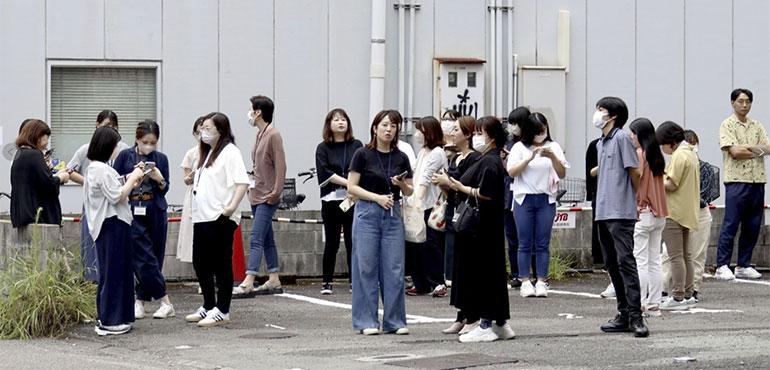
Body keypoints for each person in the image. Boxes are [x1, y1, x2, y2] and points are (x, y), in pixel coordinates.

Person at [436, 116, 514, 343]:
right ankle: (500, 322)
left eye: (481, 132)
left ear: (491, 136)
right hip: (488, 226)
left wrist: (460, 187)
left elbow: (487, 194)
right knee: (494, 273)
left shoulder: (489, 161)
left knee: (486, 274)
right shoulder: (491, 158)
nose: (477, 136)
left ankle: (487, 323)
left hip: (483, 226)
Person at [347, 109, 413, 335]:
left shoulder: (401, 157)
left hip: (393, 213)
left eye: (393, 126)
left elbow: (410, 189)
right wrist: (376, 197)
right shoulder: (362, 154)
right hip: (367, 212)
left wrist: (401, 184)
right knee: (365, 266)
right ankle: (366, 321)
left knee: (394, 268)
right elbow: (351, 187)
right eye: (384, 125)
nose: (388, 129)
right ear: (375, 128)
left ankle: (395, 321)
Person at [185, 112, 250, 327]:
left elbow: (242, 182)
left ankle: (222, 309)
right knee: (200, 262)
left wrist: (230, 208)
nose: (203, 133)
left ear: (220, 131)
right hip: (202, 216)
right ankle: (208, 305)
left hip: (220, 216)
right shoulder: (207, 153)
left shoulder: (230, 152)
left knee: (221, 263)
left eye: (208, 129)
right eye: (202, 129)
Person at [592, 96, 648, 338]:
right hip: (603, 210)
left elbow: (634, 171)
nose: (597, 114)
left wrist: (635, 198)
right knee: (612, 263)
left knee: (626, 261)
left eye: (601, 110)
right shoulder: (600, 144)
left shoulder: (622, 138)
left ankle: (636, 316)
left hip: (620, 210)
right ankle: (623, 313)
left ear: (613, 116)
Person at [83, 126, 145, 336]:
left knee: (115, 272)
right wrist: (133, 177)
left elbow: (114, 190)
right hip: (113, 224)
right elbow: (116, 196)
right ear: (107, 146)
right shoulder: (100, 169)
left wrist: (130, 180)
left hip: (109, 225)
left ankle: (115, 317)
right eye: (115, 144)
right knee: (115, 273)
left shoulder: (95, 167)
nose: (117, 148)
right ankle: (110, 321)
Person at [113, 120, 174, 320]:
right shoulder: (125, 156)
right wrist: (133, 176)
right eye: (145, 141)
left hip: (154, 209)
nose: (149, 146)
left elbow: (165, 188)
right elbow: (116, 181)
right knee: (142, 256)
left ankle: (140, 300)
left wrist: (159, 178)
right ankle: (164, 301)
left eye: (153, 142)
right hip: (132, 207)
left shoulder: (161, 159)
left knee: (154, 255)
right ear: (137, 139)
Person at [507, 112, 568, 298]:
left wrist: (553, 157)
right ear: (529, 132)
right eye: (538, 132)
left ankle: (541, 280)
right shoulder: (519, 147)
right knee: (524, 242)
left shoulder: (554, 146)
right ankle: (525, 280)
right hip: (524, 198)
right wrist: (528, 158)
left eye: (544, 130)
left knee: (543, 242)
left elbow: (562, 173)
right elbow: (511, 172)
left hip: (546, 198)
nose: (542, 135)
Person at [67, 110, 130, 282]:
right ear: (97, 125)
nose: (110, 130)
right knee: (92, 241)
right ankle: (91, 278)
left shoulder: (123, 149)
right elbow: (69, 171)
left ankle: (106, 280)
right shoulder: (87, 151)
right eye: (105, 126)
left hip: (115, 208)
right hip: (96, 203)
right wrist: (90, 182)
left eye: (113, 127)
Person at [233, 95, 287, 296]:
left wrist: (276, 192)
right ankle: (274, 278)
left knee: (256, 237)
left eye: (251, 109)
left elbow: (281, 165)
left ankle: (249, 279)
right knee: (266, 238)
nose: (249, 113)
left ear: (258, 112)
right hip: (257, 193)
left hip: (267, 195)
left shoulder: (273, 134)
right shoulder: (260, 134)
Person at [433, 116, 481, 334]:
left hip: (469, 218)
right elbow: (450, 190)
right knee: (456, 269)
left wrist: (447, 182)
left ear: (468, 134)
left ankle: (473, 316)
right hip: (454, 214)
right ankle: (461, 315)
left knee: (469, 269)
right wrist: (444, 185)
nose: (452, 133)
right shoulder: (454, 159)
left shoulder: (475, 159)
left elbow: (468, 187)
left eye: (456, 129)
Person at [714, 88, 768, 280]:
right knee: (731, 223)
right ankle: (722, 265)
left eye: (748, 102)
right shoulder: (727, 125)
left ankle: (744, 264)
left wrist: (748, 149)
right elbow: (734, 152)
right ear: (733, 103)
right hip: (736, 181)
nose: (744, 105)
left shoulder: (757, 125)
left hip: (757, 180)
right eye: (740, 101)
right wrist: (756, 149)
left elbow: (768, 148)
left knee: (753, 225)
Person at [662, 130, 718, 302]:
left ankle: (688, 291)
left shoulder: (700, 165)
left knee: (691, 255)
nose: (692, 146)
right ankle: (665, 289)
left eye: (694, 142)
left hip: (697, 211)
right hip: (686, 211)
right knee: (675, 254)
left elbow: (673, 185)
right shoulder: (684, 159)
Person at [315, 108, 363, 294]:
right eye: (336, 120)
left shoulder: (357, 145)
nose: (341, 122)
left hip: (353, 199)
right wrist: (350, 184)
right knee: (332, 242)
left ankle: (354, 281)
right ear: (329, 124)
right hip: (331, 200)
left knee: (353, 241)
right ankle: (327, 281)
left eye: (344, 119)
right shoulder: (323, 147)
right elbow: (325, 173)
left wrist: (353, 189)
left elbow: (362, 168)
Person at [656, 121, 700, 311]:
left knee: (675, 256)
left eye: (662, 144)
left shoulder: (679, 156)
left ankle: (678, 296)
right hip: (687, 210)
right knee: (686, 255)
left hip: (673, 211)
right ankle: (688, 293)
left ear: (670, 142)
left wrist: (656, 179)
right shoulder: (690, 153)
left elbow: (672, 184)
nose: (662, 148)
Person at [628, 118, 668, 317]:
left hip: (643, 212)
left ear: (640, 135)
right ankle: (654, 304)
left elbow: (637, 180)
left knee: (640, 261)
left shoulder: (639, 155)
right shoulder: (657, 156)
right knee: (655, 261)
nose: (630, 136)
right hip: (659, 213)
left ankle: (640, 303)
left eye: (633, 133)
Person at [405, 116, 448, 297]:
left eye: (420, 130)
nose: (417, 134)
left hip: (428, 205)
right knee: (415, 244)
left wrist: (416, 200)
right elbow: (415, 172)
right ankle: (421, 283)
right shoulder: (424, 151)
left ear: (428, 133)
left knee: (429, 244)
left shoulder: (437, 152)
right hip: (418, 203)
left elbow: (425, 178)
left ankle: (438, 282)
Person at [10, 119, 69, 229]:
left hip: (23, 215)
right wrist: (61, 177)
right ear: (38, 136)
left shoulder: (20, 154)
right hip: (38, 218)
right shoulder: (34, 155)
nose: (46, 143)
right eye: (46, 137)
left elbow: (35, 182)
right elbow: (48, 184)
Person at [504, 107, 528, 288]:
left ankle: (529, 273)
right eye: (510, 123)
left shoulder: (531, 144)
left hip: (524, 194)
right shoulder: (508, 143)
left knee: (527, 237)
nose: (513, 127)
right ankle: (516, 273)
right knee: (512, 237)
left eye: (516, 123)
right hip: (508, 195)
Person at [177, 117, 205, 263]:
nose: (201, 135)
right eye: (198, 132)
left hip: (209, 196)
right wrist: (193, 176)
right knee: (192, 233)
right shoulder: (191, 153)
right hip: (193, 194)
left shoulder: (216, 153)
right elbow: (186, 179)